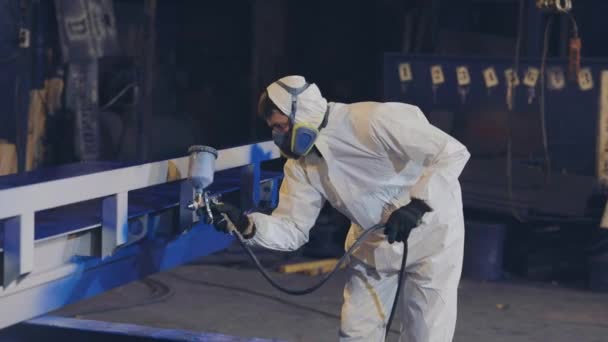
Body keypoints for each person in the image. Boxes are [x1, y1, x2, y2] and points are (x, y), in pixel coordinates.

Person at [210, 75, 470, 342]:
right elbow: (292, 229)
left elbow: (452, 152)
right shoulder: (301, 165)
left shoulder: (372, 120)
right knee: (355, 335)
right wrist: (247, 225)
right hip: (373, 245)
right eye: (275, 129)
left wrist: (418, 204)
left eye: (282, 126)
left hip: (432, 237)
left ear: (302, 112)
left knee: (427, 334)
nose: (280, 136)